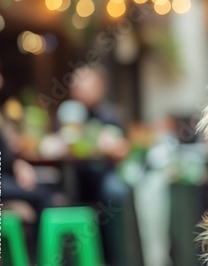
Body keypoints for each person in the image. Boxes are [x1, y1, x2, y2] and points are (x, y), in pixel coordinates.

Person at [65, 64, 142, 266]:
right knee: (58, 193)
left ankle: (120, 258)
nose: (80, 88)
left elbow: (124, 150)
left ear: (100, 86)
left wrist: (113, 148)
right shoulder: (68, 116)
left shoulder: (111, 115)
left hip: (105, 174)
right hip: (75, 176)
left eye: (86, 83)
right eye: (77, 84)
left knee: (114, 190)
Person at [0, 45, 57, 263]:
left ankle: (38, 257)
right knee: (43, 194)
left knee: (48, 188)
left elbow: (3, 148)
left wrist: (18, 164)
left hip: (1, 176)